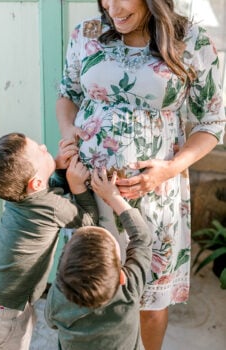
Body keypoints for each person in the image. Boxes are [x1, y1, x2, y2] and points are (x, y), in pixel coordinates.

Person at [55, 1, 226, 349]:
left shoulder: (189, 40)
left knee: (149, 298)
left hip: (153, 193)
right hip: (86, 190)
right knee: (89, 288)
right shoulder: (87, 33)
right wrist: (69, 129)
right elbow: (68, 93)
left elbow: (213, 120)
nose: (112, 7)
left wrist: (169, 170)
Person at [0, 132, 99, 350]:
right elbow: (88, 221)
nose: (44, 146)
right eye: (40, 152)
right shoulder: (51, 208)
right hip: (6, 311)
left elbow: (46, 190)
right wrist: (78, 186)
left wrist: (57, 168)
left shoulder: (18, 196)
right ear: (36, 182)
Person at [45, 167, 152, 350]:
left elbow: (51, 322)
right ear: (121, 277)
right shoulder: (129, 290)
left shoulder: (59, 295)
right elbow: (142, 237)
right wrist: (113, 197)